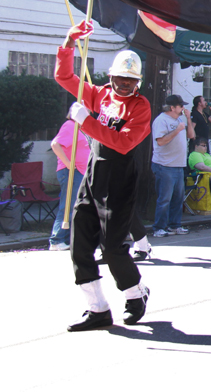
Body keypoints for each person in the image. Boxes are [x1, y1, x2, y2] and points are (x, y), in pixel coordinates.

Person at [54, 20, 152, 331]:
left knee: (111, 248)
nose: (124, 85)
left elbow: (123, 143)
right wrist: (70, 40)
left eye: (130, 81)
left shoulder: (141, 106)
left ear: (138, 82)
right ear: (110, 76)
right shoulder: (100, 95)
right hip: (94, 174)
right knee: (79, 244)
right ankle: (97, 309)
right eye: (120, 79)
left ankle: (136, 293)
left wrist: (86, 121)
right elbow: (64, 76)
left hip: (121, 178)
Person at [151, 95, 193, 237]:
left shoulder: (180, 120)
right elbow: (161, 141)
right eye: (180, 106)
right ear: (172, 107)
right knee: (165, 199)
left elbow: (191, 136)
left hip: (178, 165)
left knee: (178, 198)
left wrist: (188, 119)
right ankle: (158, 228)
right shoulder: (161, 121)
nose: (183, 108)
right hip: (165, 165)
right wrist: (177, 130)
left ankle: (174, 225)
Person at [49, 111, 90, 251]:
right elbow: (55, 144)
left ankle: (65, 239)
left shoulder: (80, 129)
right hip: (71, 171)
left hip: (79, 171)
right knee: (68, 205)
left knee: (73, 205)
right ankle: (57, 239)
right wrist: (68, 164)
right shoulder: (70, 125)